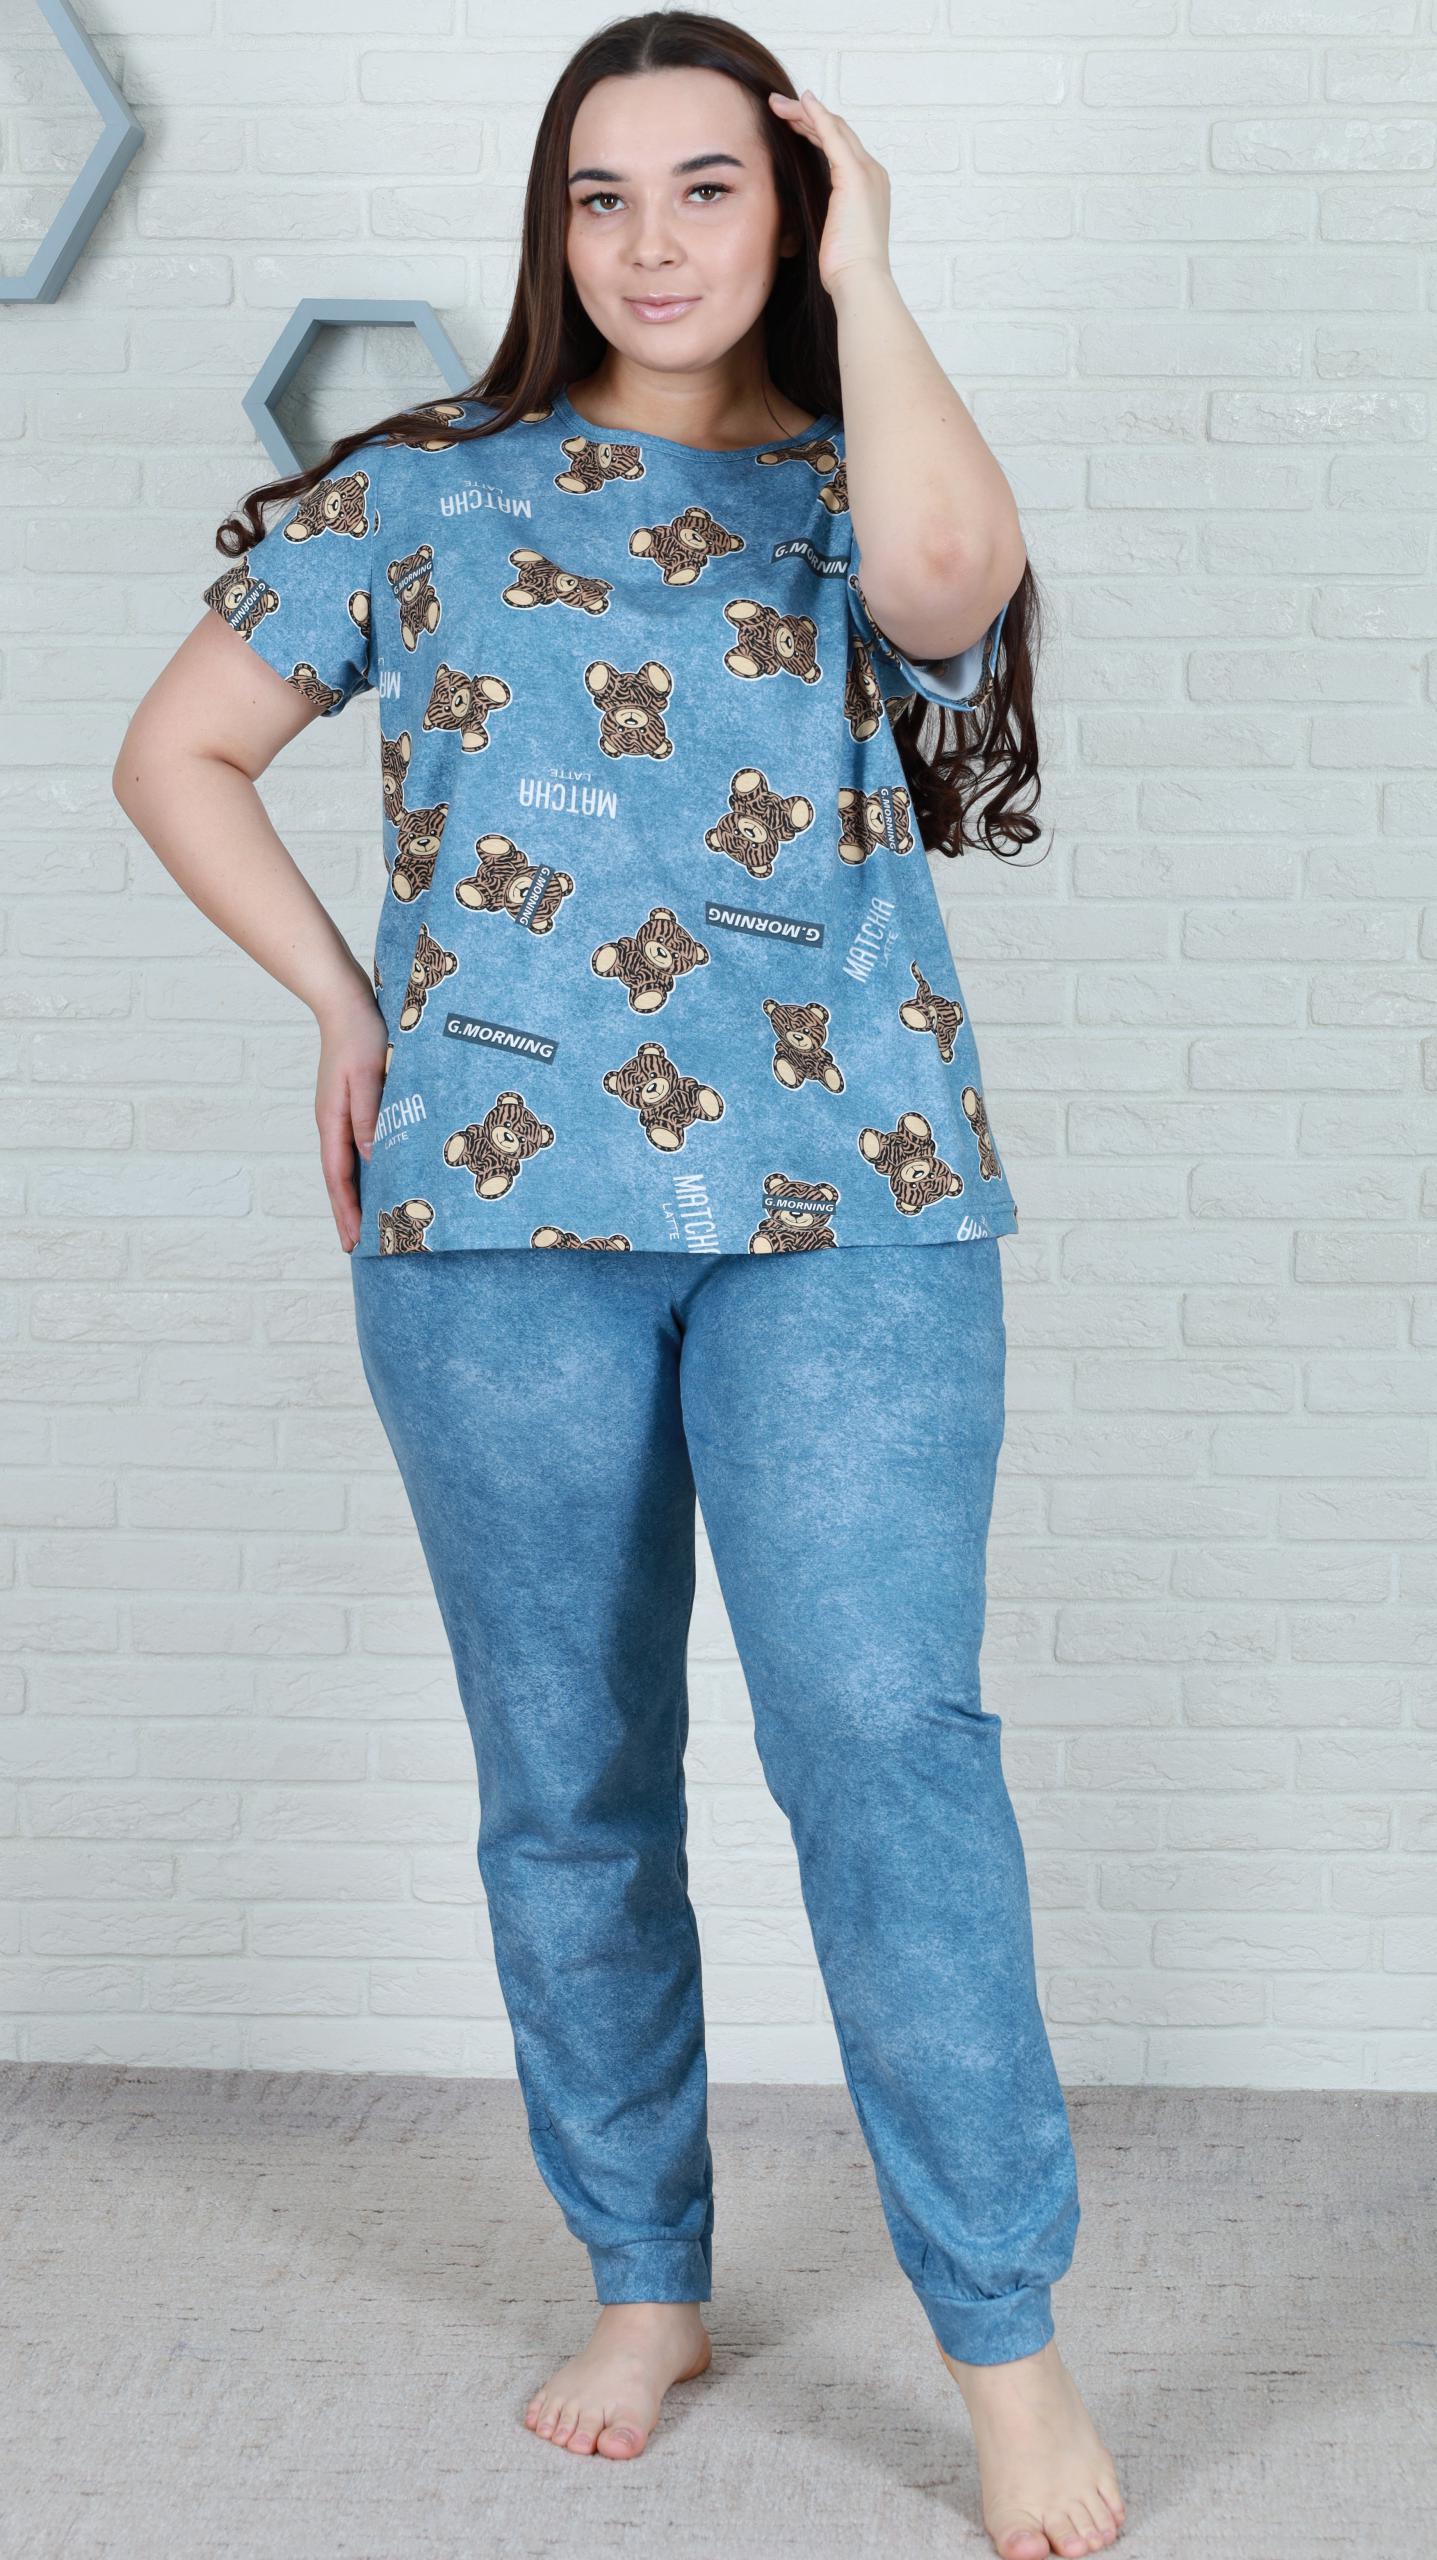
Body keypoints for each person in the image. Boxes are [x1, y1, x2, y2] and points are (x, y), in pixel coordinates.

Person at [111, 14, 1126, 2556]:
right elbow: (174, 751)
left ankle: (1003, 2343)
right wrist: (347, 1007)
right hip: (491, 1226)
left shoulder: (857, 483)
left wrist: (870, 269)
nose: (652, 242)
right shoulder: (419, 492)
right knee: (565, 1773)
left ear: (791, 210)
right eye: (602, 196)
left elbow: (948, 588)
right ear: (547, 227)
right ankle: (643, 2272)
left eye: (709, 187)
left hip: (850, 1204)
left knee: (883, 1741)